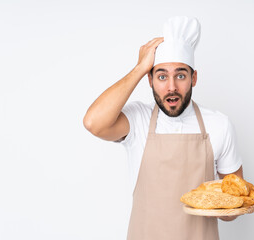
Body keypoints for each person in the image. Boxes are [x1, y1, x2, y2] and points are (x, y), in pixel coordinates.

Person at [83, 16, 244, 240]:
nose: (171, 87)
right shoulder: (137, 120)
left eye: (180, 75)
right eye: (161, 76)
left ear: (194, 78)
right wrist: (139, 68)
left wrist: (223, 207)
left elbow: (234, 205)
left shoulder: (219, 125)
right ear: (149, 80)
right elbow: (93, 123)